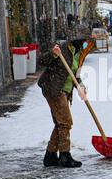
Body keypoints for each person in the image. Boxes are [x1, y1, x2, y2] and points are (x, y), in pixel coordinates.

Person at [38, 25, 94, 168]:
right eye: (83, 41)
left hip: (64, 91)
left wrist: (80, 85)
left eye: (86, 41)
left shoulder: (78, 53)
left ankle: (50, 155)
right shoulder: (61, 48)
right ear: (76, 40)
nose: (84, 43)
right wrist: (53, 54)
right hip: (53, 89)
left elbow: (75, 75)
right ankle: (64, 156)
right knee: (65, 122)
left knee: (60, 123)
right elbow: (41, 61)